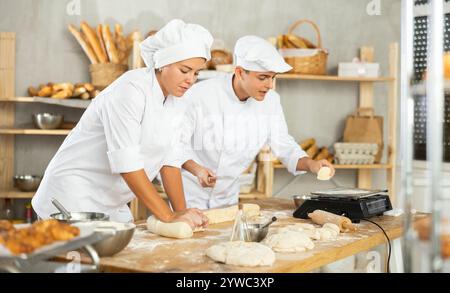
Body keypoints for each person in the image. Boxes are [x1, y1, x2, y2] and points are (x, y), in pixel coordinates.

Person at [32, 19, 213, 228]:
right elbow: (127, 163)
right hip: (72, 196)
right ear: (163, 63)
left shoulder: (176, 100)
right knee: (80, 260)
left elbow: (169, 162)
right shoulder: (130, 91)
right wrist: (168, 216)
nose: (191, 79)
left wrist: (181, 214)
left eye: (196, 73)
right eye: (185, 70)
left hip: (111, 202)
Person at [177, 36, 335, 209]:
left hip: (227, 201)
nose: (269, 85)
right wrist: (197, 170)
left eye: (272, 77)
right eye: (263, 78)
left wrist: (312, 164)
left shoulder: (271, 102)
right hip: (188, 197)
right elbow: (176, 145)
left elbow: (284, 146)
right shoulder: (200, 95)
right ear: (239, 72)